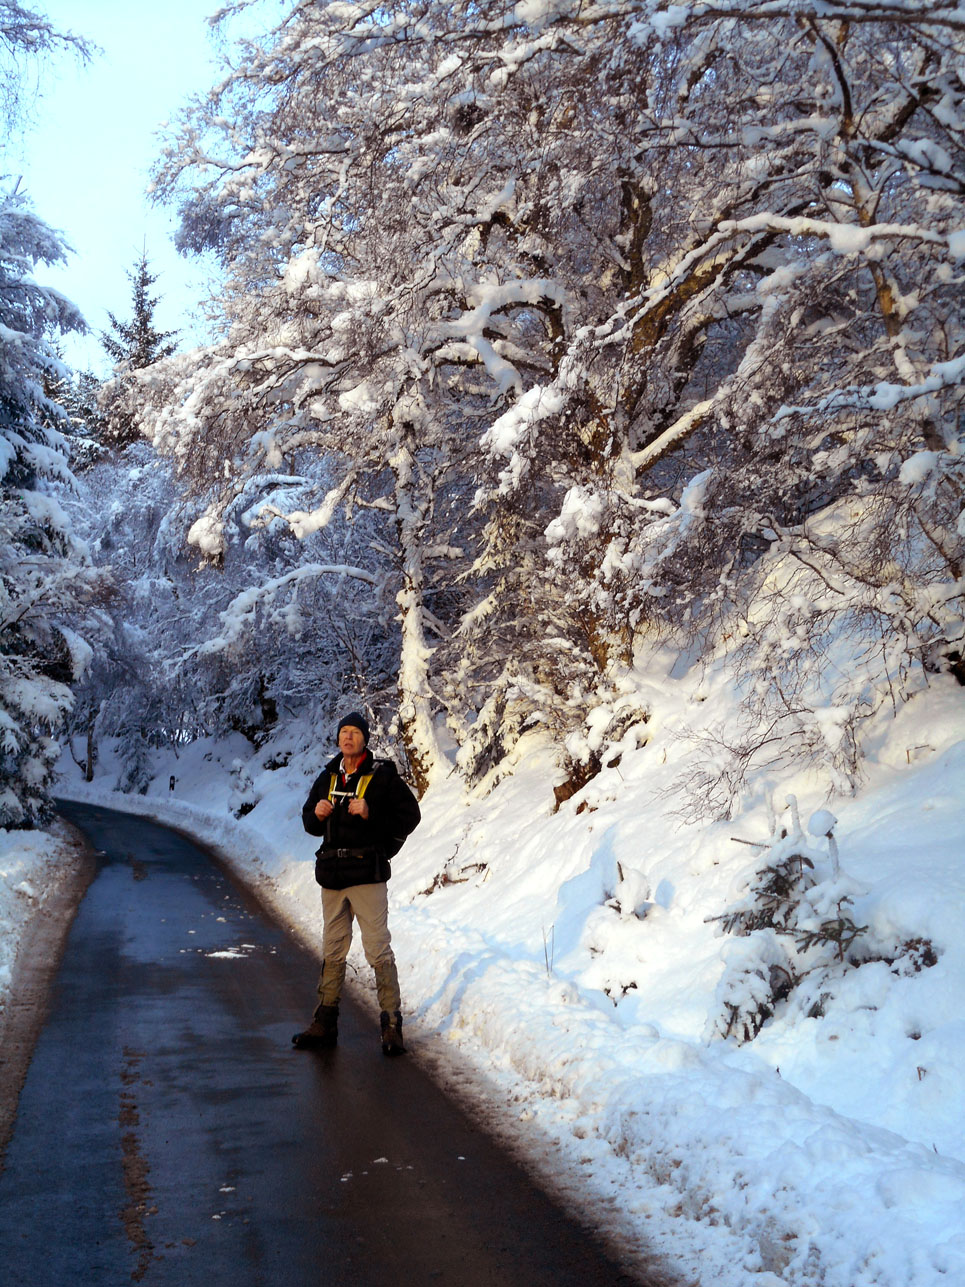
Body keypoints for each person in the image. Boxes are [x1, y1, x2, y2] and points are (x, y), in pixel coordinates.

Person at [292, 711, 421, 1056]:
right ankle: (325, 1022)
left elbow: (410, 817)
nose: (348, 737)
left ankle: (392, 1025)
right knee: (333, 948)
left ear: (365, 739)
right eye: (343, 732)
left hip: (367, 874)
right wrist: (315, 815)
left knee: (377, 947)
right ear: (338, 739)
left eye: (354, 732)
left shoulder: (382, 777)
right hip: (333, 876)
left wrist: (370, 814)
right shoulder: (327, 776)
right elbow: (309, 824)